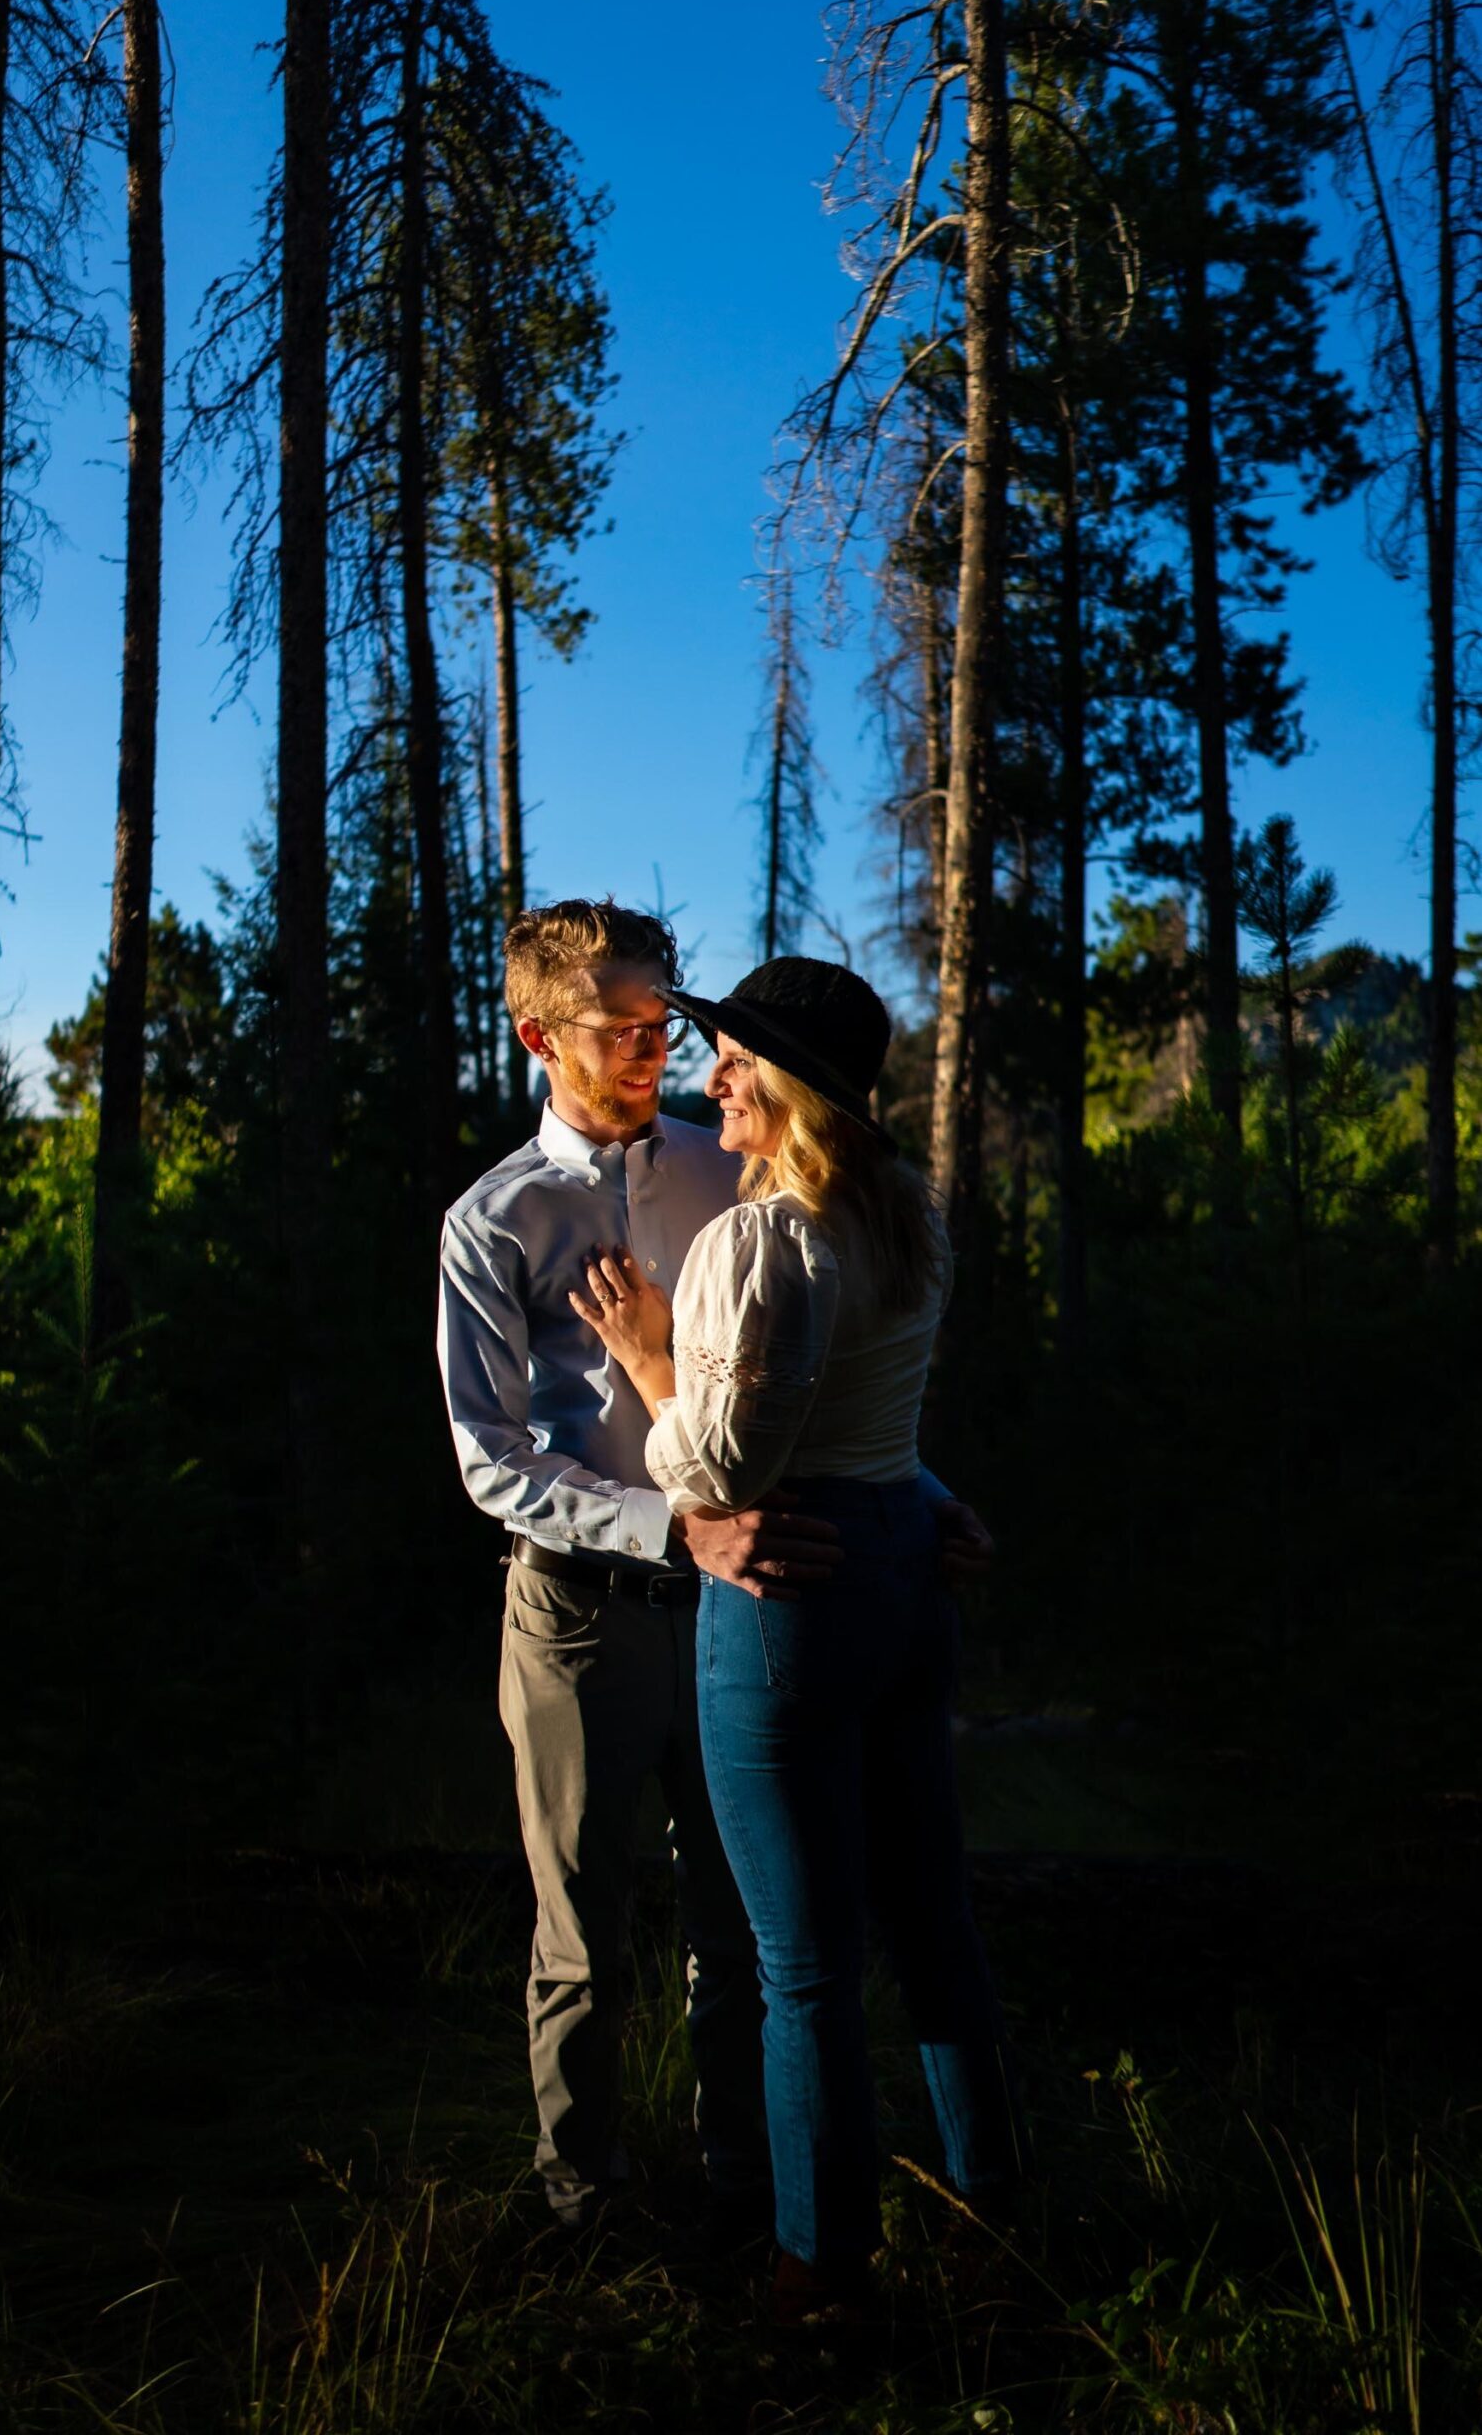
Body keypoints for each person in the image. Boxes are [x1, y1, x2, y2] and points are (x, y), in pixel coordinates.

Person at [436, 902, 991, 2242]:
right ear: (537, 1038)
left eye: (667, 1023)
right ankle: (584, 2201)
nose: (662, 1053)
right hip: (576, 1612)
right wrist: (665, 1526)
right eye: (624, 1030)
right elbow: (489, 1457)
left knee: (737, 1936)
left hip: (748, 1600)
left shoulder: (730, 1161)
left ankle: (747, 2183)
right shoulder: (494, 1222)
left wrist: (911, 1489)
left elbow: (809, 1371)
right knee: (579, 1935)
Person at [568, 954, 1027, 2319]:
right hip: (899, 1565)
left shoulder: (761, 1244)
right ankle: (993, 2219)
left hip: (792, 1604)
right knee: (933, 1921)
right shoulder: (907, 1215)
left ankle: (818, 2271)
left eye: (738, 1061)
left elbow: (713, 1477)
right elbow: (887, 1424)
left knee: (805, 1967)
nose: (713, 1076)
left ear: (796, 1088)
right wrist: (938, 1505)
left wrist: (651, 1354)